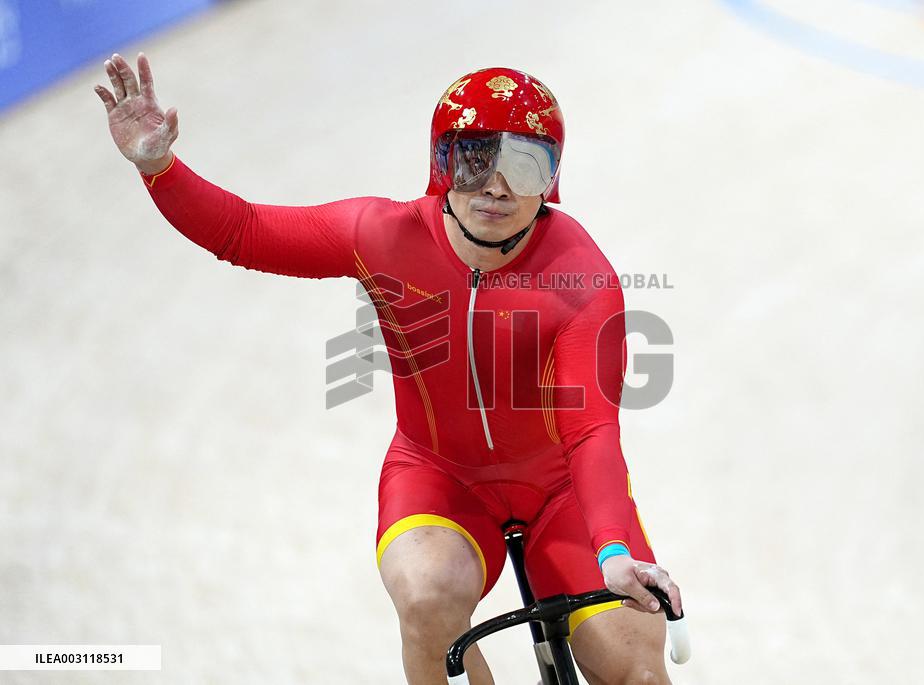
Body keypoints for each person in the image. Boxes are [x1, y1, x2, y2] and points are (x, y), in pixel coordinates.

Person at [95, 53, 684, 685]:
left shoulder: (583, 279)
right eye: (475, 159)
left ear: (552, 178)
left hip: (563, 490)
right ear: (441, 163)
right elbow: (243, 231)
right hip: (440, 480)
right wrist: (159, 168)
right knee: (428, 600)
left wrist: (613, 551)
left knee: (636, 672)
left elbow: (591, 432)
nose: (496, 187)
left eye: (525, 165)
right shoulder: (382, 235)